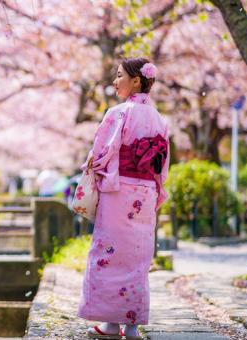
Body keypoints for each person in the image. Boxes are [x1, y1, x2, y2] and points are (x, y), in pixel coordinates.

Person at [77, 58, 169, 340]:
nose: (115, 82)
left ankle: (110, 324)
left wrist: (91, 164)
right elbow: (162, 165)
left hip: (119, 192)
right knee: (137, 258)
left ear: (136, 81)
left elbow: (102, 154)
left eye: (119, 76)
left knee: (109, 254)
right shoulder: (159, 119)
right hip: (145, 193)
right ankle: (131, 325)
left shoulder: (118, 113)